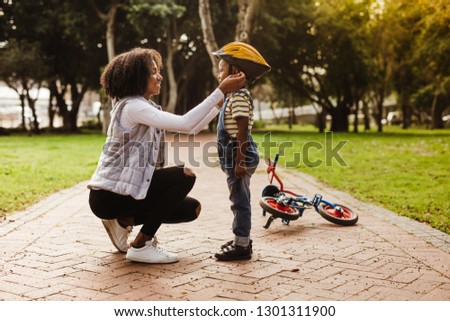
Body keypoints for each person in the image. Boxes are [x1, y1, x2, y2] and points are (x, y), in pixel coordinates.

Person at [88, 47, 245, 264]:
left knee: (191, 209)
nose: (159, 76)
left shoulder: (143, 106)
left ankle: (124, 221)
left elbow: (192, 128)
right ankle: (142, 245)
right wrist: (220, 90)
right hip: (108, 196)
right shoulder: (133, 107)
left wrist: (220, 101)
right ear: (137, 76)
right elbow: (186, 123)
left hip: (121, 194)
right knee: (185, 175)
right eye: (153, 71)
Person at [212, 42, 270, 261]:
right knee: (238, 197)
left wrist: (240, 162)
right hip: (236, 154)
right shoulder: (231, 97)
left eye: (221, 71)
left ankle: (242, 245)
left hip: (240, 154)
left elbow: (242, 132)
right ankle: (240, 239)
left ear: (235, 72)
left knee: (240, 200)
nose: (219, 77)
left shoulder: (238, 97)